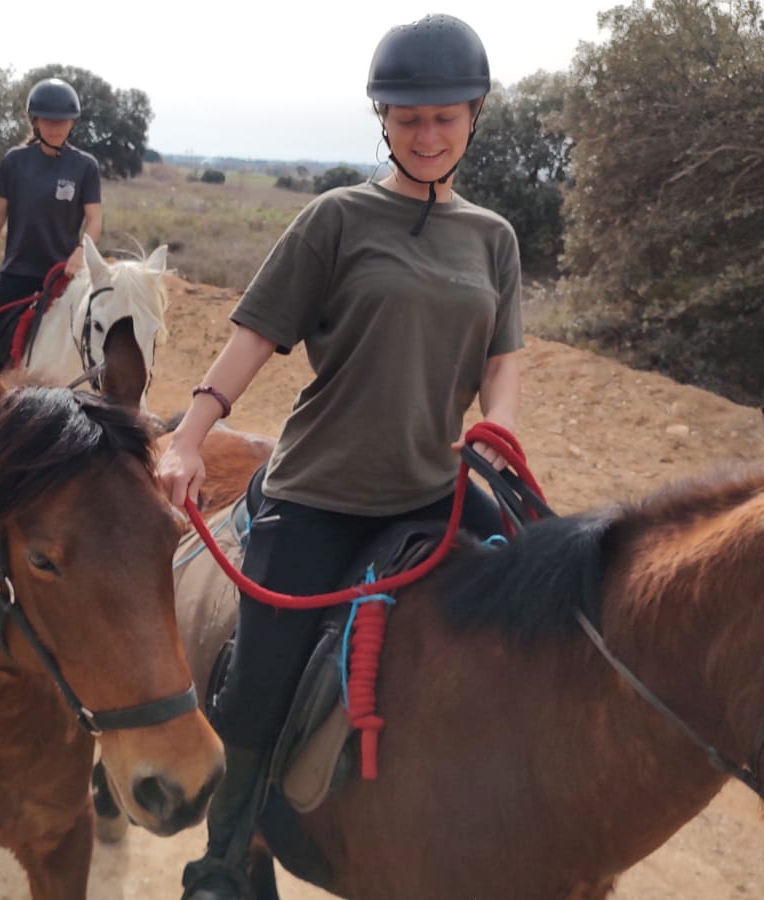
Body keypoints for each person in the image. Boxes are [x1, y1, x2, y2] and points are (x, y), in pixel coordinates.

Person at [157, 14, 523, 900]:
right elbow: (255, 336)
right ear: (383, 123)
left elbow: (501, 359)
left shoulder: (493, 238)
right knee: (259, 684)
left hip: (434, 486)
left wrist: (501, 433)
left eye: (444, 117)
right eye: (409, 120)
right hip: (321, 491)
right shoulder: (337, 219)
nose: (428, 135)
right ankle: (225, 859)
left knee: (556, 591)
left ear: (473, 116)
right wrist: (189, 435)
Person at [0, 77, 103, 372]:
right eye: (47, 121)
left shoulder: (85, 166)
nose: (55, 128)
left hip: (65, 277)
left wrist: (81, 251)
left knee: (99, 332)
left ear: (73, 123)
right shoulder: (15, 161)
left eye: (62, 121)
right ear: (35, 121)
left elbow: (94, 219)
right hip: (18, 273)